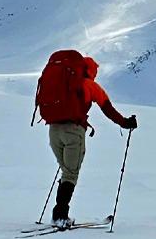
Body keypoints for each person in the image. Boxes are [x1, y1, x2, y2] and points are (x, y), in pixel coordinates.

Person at [34, 50, 137, 228]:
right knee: (70, 174)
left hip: (53, 130)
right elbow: (108, 109)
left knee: (66, 171)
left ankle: (59, 214)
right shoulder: (90, 86)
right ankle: (60, 216)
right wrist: (126, 123)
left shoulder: (64, 83)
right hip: (73, 131)